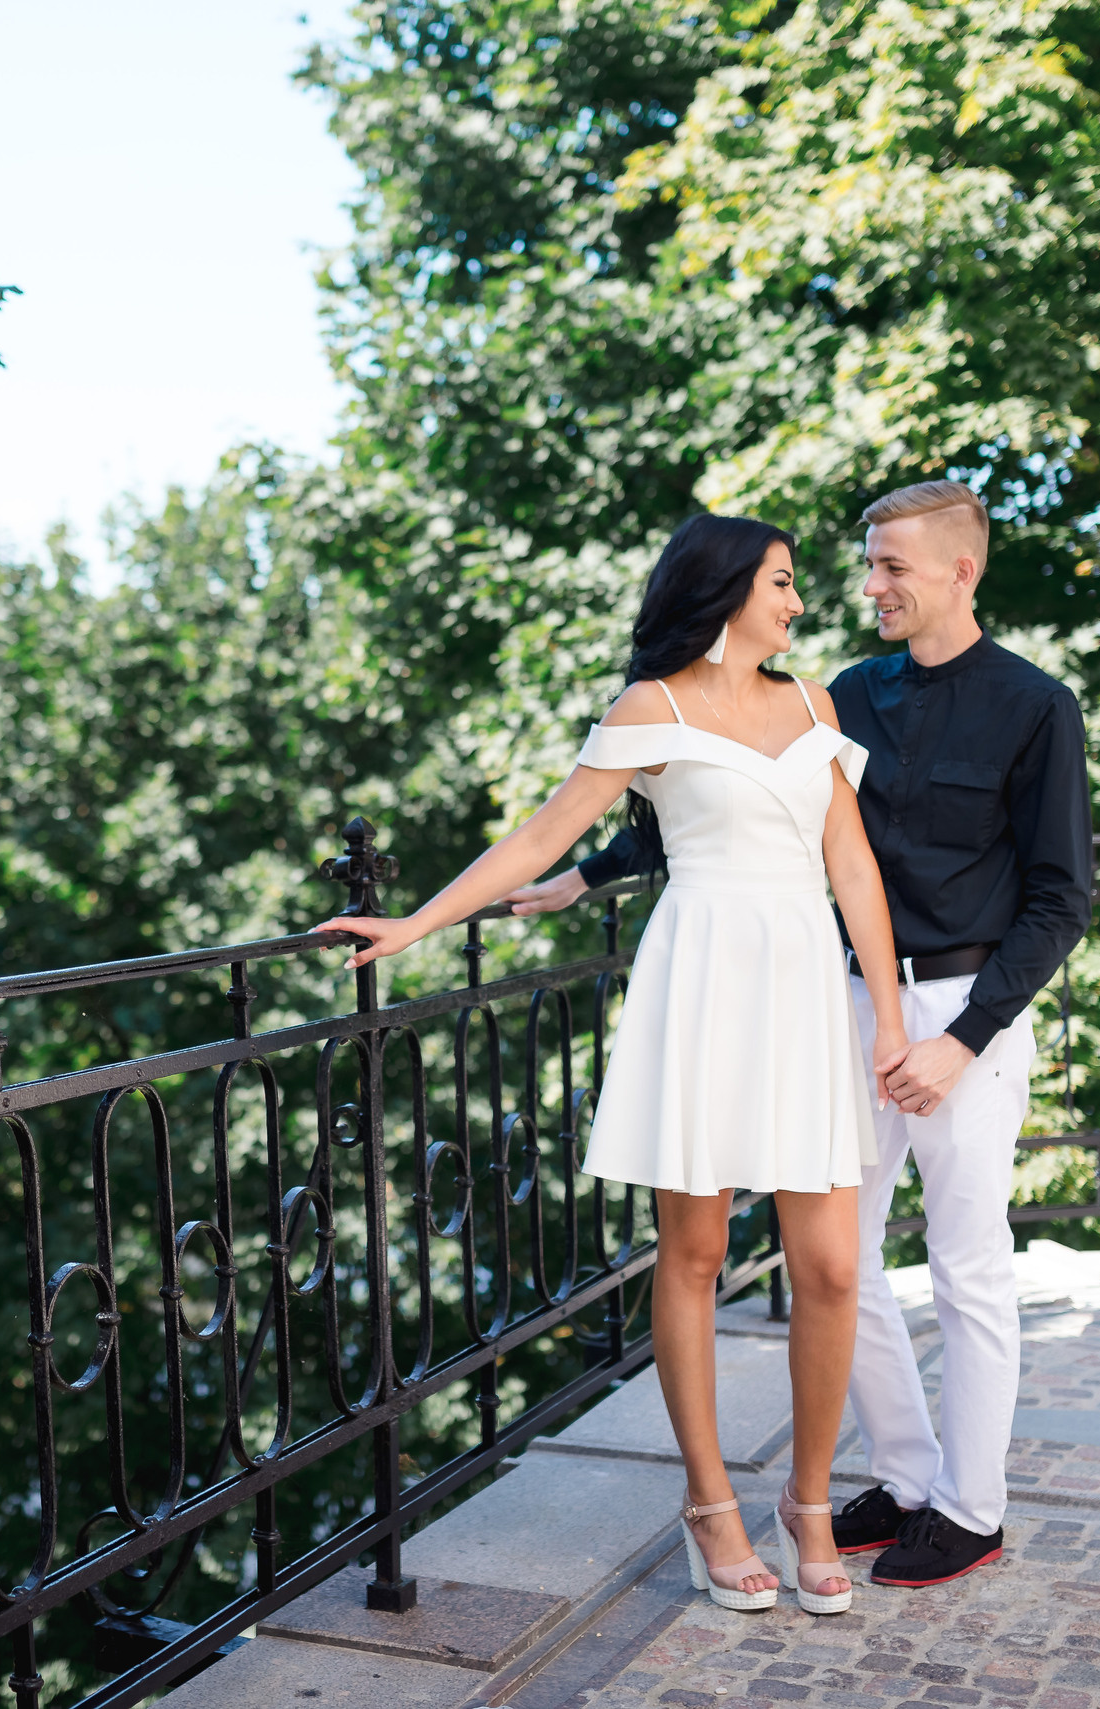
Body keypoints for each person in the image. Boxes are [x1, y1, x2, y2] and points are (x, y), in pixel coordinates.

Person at [314, 514, 909, 1618]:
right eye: (782, 582)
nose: (798, 602)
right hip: (703, 977)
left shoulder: (815, 705)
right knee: (695, 1252)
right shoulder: (651, 709)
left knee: (831, 1266)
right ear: (727, 589)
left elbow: (854, 866)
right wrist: (414, 924)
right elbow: (541, 838)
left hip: (804, 985)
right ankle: (710, 1504)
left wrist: (886, 1016)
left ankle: (810, 1500)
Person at [511, 480, 1092, 1589]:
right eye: (868, 563)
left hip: (964, 1011)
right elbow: (726, 790)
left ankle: (969, 1508)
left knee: (968, 1261)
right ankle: (904, 1478)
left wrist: (963, 1036)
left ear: (960, 571)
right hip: (839, 1004)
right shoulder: (843, 694)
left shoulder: (1036, 705)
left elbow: (1062, 898)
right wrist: (583, 874)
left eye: (891, 567)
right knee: (839, 1260)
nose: (868, 586)